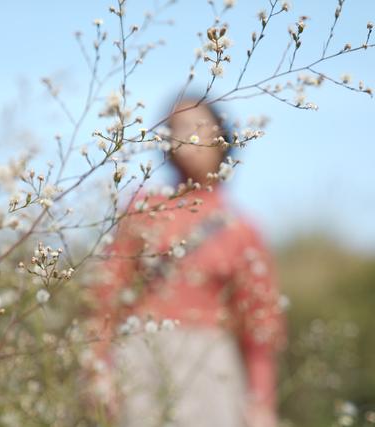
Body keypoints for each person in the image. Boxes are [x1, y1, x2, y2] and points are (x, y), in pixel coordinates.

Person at [89, 96, 286, 427]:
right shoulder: (141, 210)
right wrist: (97, 370)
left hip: (211, 370)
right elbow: (105, 295)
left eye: (198, 126)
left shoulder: (240, 229)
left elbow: (260, 324)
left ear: (221, 137)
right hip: (139, 360)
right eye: (176, 128)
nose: (187, 137)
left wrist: (262, 401)